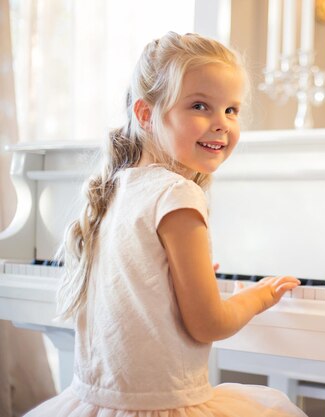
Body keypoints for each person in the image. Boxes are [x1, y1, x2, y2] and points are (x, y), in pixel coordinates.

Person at [25, 32, 306, 417]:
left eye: (232, 110)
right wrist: (260, 296)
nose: (221, 123)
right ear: (146, 114)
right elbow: (208, 324)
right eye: (200, 105)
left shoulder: (118, 186)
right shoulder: (178, 194)